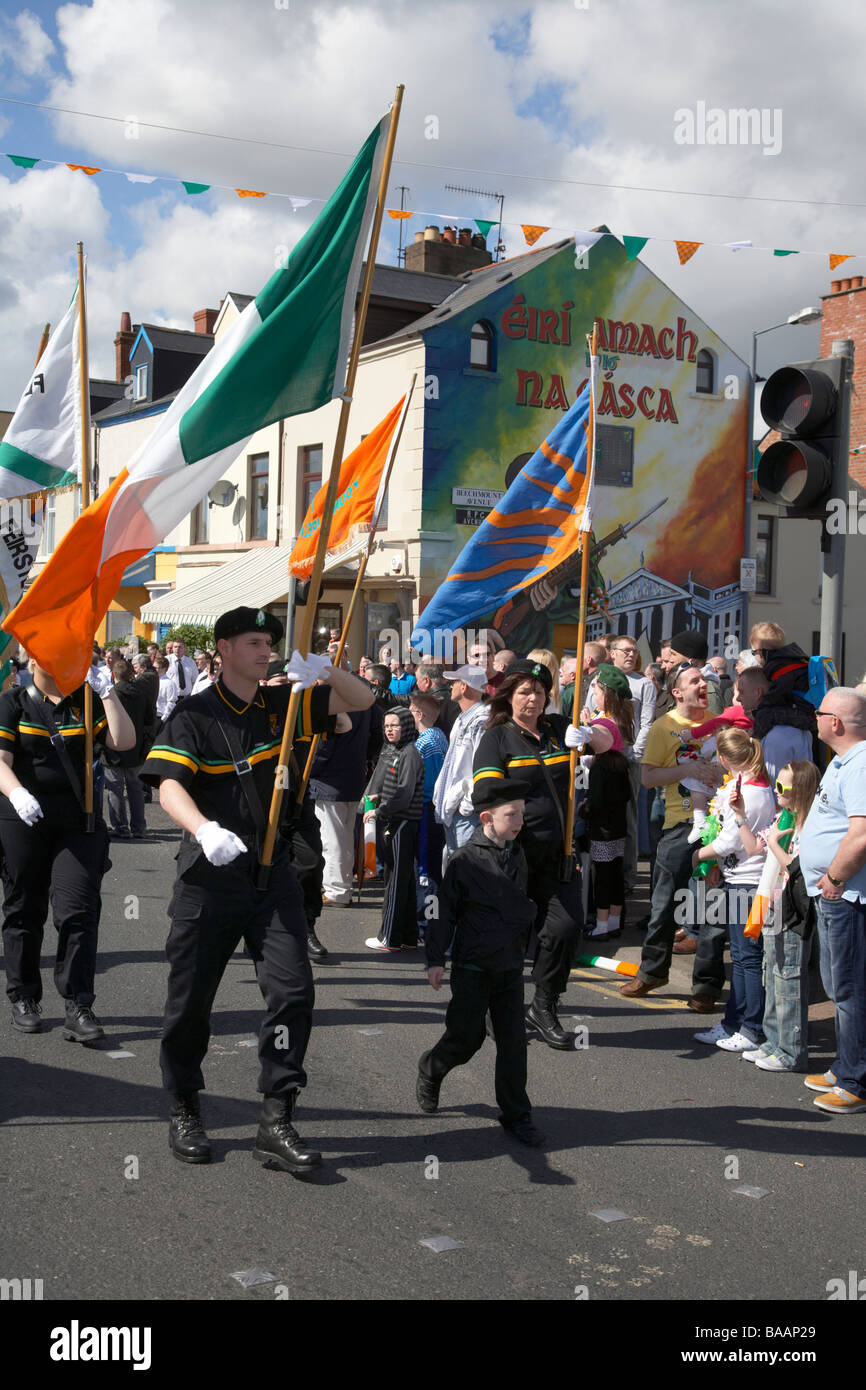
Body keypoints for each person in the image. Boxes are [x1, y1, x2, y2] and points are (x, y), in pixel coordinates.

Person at [140, 606, 374, 1169]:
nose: (265, 650)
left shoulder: (284, 704)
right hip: (211, 874)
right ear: (222, 648)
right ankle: (184, 1105)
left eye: (269, 641)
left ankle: (277, 1115)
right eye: (252, 642)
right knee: (191, 1001)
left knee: (293, 994)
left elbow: (361, 700)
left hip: (272, 878)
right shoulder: (193, 714)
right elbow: (168, 787)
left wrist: (323, 670)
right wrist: (202, 828)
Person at [473, 658, 612, 1048]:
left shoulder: (556, 728)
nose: (532, 698)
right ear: (509, 697)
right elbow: (484, 794)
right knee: (511, 934)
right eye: (523, 692)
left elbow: (610, 744)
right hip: (514, 855)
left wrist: (585, 733)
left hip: (559, 852)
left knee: (565, 929)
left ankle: (544, 1005)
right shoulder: (496, 738)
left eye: (538, 691)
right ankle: (495, 1002)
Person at [0, 658, 135, 1038]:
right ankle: (24, 995)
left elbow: (123, 742)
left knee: (78, 911)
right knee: (24, 908)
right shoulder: (14, 702)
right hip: (23, 816)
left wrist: (107, 691)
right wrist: (18, 793)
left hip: (80, 819)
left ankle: (79, 1003)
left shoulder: (88, 701)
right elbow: (0, 761)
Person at [417, 778, 543, 1147]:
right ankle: (431, 1068)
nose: (520, 820)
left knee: (513, 1043)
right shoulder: (464, 860)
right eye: (511, 814)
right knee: (466, 1039)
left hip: (508, 966)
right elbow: (443, 912)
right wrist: (435, 959)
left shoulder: (517, 852)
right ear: (486, 817)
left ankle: (517, 1115)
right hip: (473, 967)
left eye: (522, 812)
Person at [620, 664, 723, 1002]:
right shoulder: (665, 728)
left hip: (717, 827)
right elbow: (648, 778)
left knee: (713, 909)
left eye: (703, 680)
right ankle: (652, 973)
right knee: (664, 907)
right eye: (694, 681)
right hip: (678, 826)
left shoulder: (718, 723)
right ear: (677, 692)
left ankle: (706, 988)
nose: (702, 684)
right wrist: (687, 769)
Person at [798, 687, 866, 1115]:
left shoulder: (860, 765)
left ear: (835, 722)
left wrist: (835, 877)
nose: (815, 718)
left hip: (846, 894)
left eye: (819, 712)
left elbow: (861, 834)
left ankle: (855, 1080)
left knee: (849, 989)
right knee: (839, 985)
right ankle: (846, 1068)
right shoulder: (844, 761)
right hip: (834, 893)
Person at [690, 728, 777, 1053]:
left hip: (748, 881)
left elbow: (731, 840)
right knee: (742, 957)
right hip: (739, 876)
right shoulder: (745, 784)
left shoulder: (750, 791)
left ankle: (750, 1027)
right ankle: (733, 1022)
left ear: (725, 759)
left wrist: (699, 855)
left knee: (747, 958)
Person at [734, 761, 820, 1073]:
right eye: (776, 785)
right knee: (771, 973)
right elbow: (754, 848)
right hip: (772, 904)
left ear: (802, 792)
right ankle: (772, 1043)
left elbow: (798, 871)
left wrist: (774, 846)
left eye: (783, 788)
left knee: (788, 978)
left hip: (794, 909)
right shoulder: (783, 817)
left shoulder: (809, 826)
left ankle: (790, 1051)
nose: (776, 792)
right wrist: (741, 815)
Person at [362, 706, 424, 951]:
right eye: (386, 725)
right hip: (399, 822)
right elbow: (395, 787)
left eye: (395, 725)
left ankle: (388, 937)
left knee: (395, 881)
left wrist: (378, 811)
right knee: (404, 880)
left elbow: (404, 794)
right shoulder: (399, 752)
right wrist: (379, 795)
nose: (389, 730)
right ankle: (408, 936)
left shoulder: (409, 753)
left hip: (402, 823)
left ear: (406, 726)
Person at [580, 668, 633, 942]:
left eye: (597, 692)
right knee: (614, 872)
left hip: (602, 828)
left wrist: (584, 809)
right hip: (618, 826)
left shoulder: (602, 766)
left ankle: (601, 923)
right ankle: (613, 920)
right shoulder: (619, 763)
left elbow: (596, 800)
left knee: (602, 876)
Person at [608, 636, 657, 898]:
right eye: (625, 651)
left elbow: (647, 722)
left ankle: (628, 875)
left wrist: (635, 752)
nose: (631, 655)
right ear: (612, 653)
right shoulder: (599, 680)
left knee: (628, 818)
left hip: (629, 758)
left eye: (634, 651)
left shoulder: (644, 684)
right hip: (603, 758)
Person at [432, 664, 489, 863]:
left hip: (465, 814)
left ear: (464, 686)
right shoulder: (462, 719)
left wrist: (465, 806)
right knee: (455, 868)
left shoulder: (482, 721)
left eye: (455, 682)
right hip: (454, 809)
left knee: (466, 870)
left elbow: (481, 768)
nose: (450, 686)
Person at [737, 666, 814, 784]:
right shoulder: (790, 723)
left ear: (758, 693)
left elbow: (773, 787)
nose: (738, 698)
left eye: (742, 692)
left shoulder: (777, 736)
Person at [409, 691, 448, 918]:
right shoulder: (438, 736)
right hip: (430, 809)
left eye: (411, 712)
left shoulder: (428, 742)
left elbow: (429, 783)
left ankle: (427, 918)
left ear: (420, 714)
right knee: (430, 863)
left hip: (426, 807)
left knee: (426, 867)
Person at [103, 658, 150, 840]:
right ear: (131, 674)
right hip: (135, 745)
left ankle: (121, 827)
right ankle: (139, 827)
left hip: (114, 746)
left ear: (113, 675)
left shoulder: (110, 694)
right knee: (135, 789)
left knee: (115, 789)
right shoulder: (141, 693)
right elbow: (148, 719)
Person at [155, 657, 179, 723]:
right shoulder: (152, 681)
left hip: (161, 716)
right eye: (154, 667)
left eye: (157, 668)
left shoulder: (169, 683)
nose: (155, 670)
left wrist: (164, 718)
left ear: (164, 669)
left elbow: (171, 702)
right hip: (152, 716)